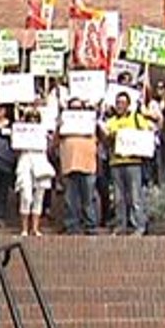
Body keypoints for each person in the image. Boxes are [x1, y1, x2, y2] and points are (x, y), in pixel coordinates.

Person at [104, 91, 152, 235]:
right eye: (118, 103)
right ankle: (121, 226)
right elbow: (106, 138)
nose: (120, 106)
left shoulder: (137, 119)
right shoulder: (111, 121)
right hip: (116, 162)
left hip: (133, 162)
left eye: (123, 103)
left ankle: (139, 226)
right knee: (119, 198)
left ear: (128, 105)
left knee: (135, 196)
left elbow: (148, 132)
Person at [57, 98, 99, 235]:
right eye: (73, 109)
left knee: (89, 197)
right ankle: (72, 226)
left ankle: (90, 225)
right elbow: (53, 143)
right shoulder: (63, 124)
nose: (76, 111)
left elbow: (103, 139)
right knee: (70, 198)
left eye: (79, 108)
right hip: (69, 165)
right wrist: (60, 126)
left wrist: (95, 120)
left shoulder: (90, 123)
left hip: (88, 165)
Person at [13, 106, 55, 237]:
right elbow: (15, 149)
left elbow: (50, 147)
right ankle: (24, 228)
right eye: (30, 118)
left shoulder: (44, 132)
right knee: (25, 194)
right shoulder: (21, 131)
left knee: (39, 193)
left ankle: (35, 228)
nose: (32, 121)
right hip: (25, 159)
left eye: (35, 118)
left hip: (40, 159)